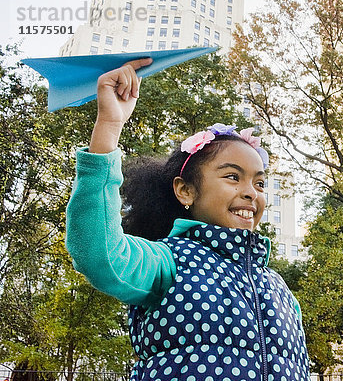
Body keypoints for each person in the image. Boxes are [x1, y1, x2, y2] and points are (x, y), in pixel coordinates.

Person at [65, 59, 310, 381]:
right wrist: (109, 126)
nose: (252, 193)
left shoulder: (279, 287)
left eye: (260, 183)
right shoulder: (165, 262)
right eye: (233, 177)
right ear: (185, 191)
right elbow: (98, 251)